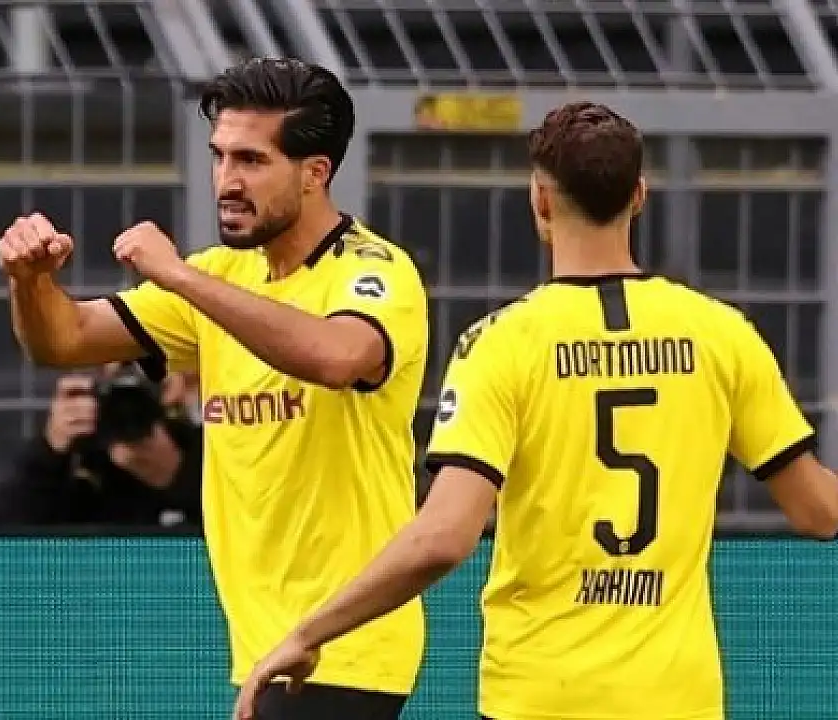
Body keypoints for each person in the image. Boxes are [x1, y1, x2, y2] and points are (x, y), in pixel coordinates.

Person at [234, 101, 838, 720]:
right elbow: (820, 511)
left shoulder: (501, 344)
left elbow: (443, 537)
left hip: (539, 693)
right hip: (677, 697)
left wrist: (309, 632)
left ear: (540, 201)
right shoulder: (722, 335)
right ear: (639, 196)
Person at [0, 57, 431, 718]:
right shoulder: (223, 275)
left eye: (252, 160)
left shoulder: (374, 271)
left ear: (315, 172)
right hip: (269, 648)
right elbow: (64, 340)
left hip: (346, 646)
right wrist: (30, 282)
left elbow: (338, 356)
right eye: (220, 156)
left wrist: (179, 277)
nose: (227, 181)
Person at [0, 362, 203, 528]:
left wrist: (179, 476)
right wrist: (49, 454)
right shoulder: (82, 452)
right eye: (124, 367)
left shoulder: (203, 446)